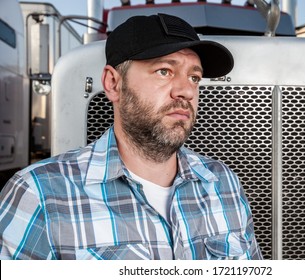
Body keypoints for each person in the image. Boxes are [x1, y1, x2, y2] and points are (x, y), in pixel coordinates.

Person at [0, 13, 262, 260]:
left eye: (194, 77)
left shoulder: (223, 184)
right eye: (164, 71)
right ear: (113, 83)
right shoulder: (39, 195)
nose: (186, 91)